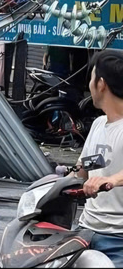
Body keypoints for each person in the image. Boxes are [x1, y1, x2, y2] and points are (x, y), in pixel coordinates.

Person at [74, 50, 123, 266]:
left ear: (101, 84)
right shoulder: (98, 124)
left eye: (91, 77)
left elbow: (112, 176)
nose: (90, 85)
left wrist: (112, 180)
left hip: (118, 239)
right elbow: (87, 167)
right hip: (85, 231)